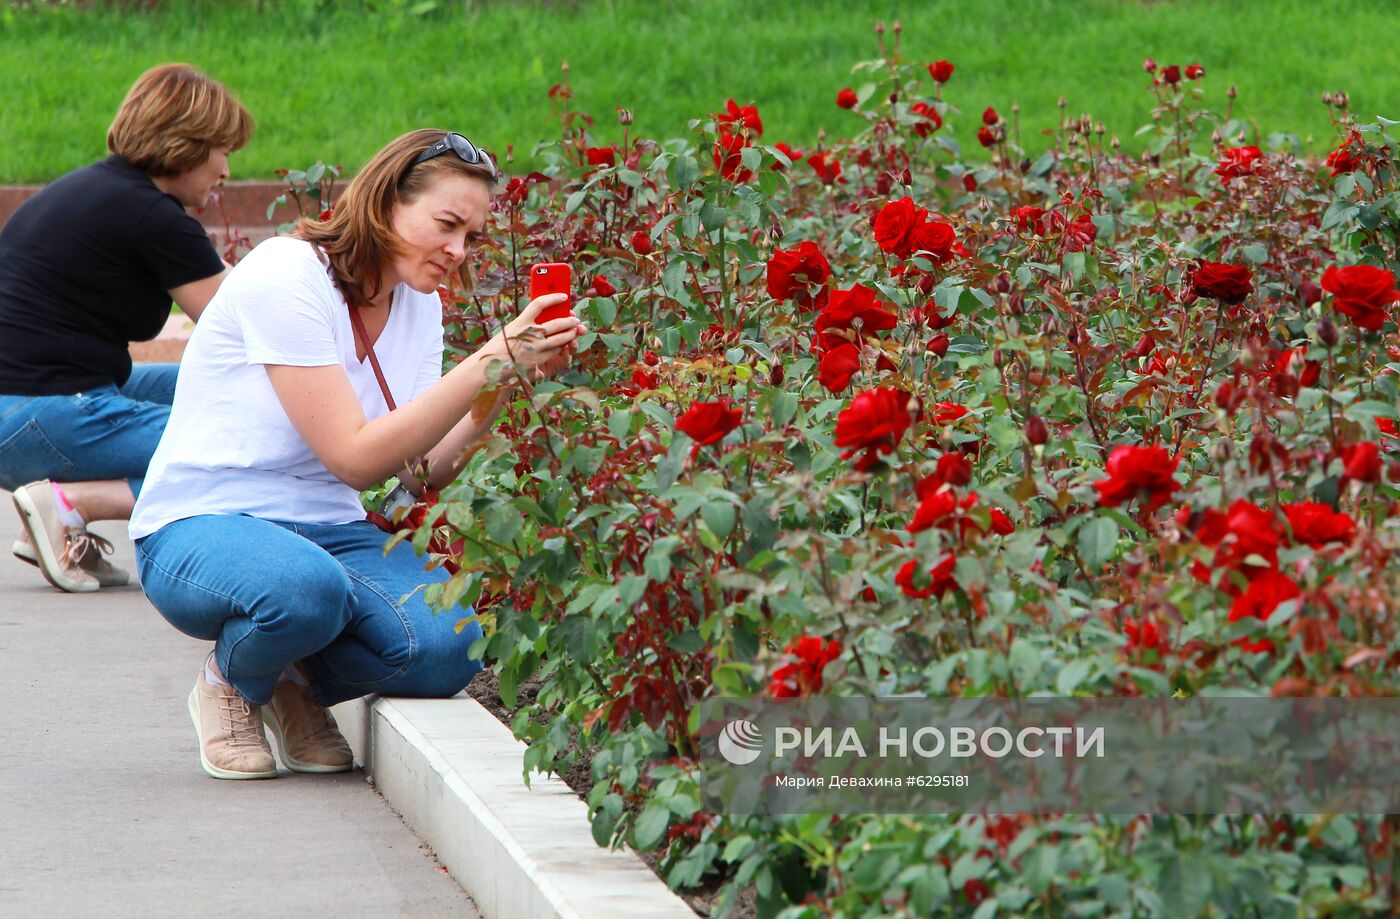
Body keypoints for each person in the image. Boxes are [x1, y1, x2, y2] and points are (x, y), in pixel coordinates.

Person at [129, 129, 586, 780]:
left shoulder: (418, 305)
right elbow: (353, 459)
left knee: (450, 643)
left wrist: (509, 385)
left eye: (473, 238)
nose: (458, 252)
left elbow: (416, 469)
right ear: (386, 202)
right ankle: (231, 677)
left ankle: (289, 679)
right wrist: (489, 358)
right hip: (201, 525)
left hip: (327, 533)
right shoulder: (286, 274)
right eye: (447, 225)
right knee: (304, 589)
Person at [0, 63, 251, 593]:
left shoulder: (98, 187)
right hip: (40, 412)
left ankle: (53, 525)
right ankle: (68, 505)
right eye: (222, 150)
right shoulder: (152, 216)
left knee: (215, 384)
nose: (227, 170)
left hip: (27, 407)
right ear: (187, 143)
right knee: (243, 445)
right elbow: (247, 326)